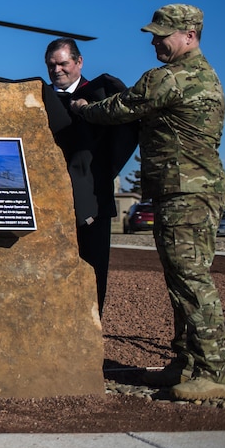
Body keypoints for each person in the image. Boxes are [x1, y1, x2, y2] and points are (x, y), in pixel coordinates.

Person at [71, 4, 225, 401]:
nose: (155, 40)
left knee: (192, 281)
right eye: (154, 33)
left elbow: (118, 108)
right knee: (181, 281)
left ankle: (214, 371)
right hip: (192, 190)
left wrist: (83, 109)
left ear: (190, 36)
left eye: (163, 33)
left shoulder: (171, 79)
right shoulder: (207, 76)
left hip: (185, 193)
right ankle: (186, 364)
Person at [44, 37, 136, 315]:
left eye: (63, 63)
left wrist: (96, 177)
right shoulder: (39, 98)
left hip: (93, 199)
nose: (57, 70)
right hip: (50, 202)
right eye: (51, 65)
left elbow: (128, 132)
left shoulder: (102, 96)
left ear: (79, 62)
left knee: (93, 270)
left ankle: (91, 333)